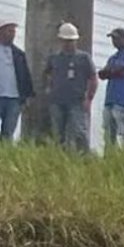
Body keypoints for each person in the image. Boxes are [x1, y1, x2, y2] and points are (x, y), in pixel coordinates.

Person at [43, 22, 97, 152]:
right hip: (57, 101)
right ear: (60, 40)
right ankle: (60, 158)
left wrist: (89, 99)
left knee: (80, 132)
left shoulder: (84, 58)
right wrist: (49, 88)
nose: (68, 44)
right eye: (66, 41)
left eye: (71, 41)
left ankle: (84, 158)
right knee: (58, 133)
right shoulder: (54, 58)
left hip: (77, 101)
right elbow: (47, 74)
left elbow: (93, 78)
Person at [96, 27, 124, 149]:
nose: (114, 41)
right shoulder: (113, 57)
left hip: (123, 99)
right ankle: (109, 156)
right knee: (108, 131)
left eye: (116, 38)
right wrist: (110, 71)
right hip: (110, 98)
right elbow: (103, 74)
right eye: (113, 39)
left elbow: (118, 70)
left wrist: (110, 71)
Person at [0, 20, 34, 141]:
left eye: (14, 31)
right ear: (1, 31)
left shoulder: (19, 54)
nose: (13, 34)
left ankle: (5, 155)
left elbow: (25, 75)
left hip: (14, 98)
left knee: (8, 132)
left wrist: (28, 96)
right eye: (9, 31)